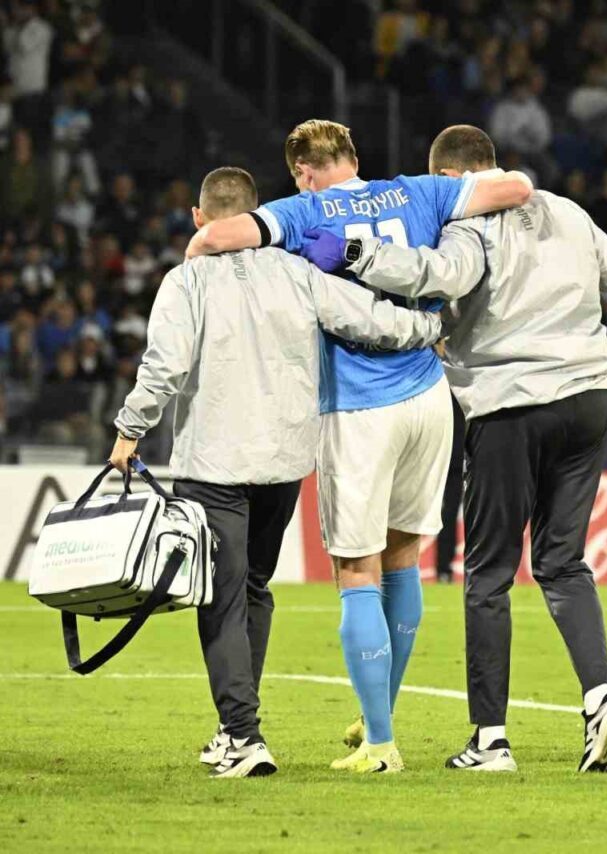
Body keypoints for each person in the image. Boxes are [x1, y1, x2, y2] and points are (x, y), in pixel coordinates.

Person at [300, 124, 607, 774]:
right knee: (563, 564)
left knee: (489, 576)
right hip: (587, 400)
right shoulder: (569, 213)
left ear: (452, 180)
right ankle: (601, 699)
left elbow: (439, 275)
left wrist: (354, 253)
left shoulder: (466, 224)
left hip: (510, 405)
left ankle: (490, 741)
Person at [185, 120, 533, 774]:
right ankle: (379, 712)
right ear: (353, 155)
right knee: (404, 562)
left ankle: (380, 743)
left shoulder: (303, 211)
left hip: (359, 405)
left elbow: (219, 236)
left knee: (357, 571)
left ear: (303, 171)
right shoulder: (420, 191)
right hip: (430, 395)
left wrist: (195, 250)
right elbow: (515, 188)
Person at [109, 167, 444, 778]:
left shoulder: (187, 281)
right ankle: (232, 729)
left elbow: (165, 365)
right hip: (284, 463)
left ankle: (244, 736)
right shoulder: (297, 271)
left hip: (214, 463)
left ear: (199, 219)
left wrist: (130, 429)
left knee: (222, 598)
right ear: (254, 216)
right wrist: (431, 327)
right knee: (254, 588)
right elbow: (370, 318)